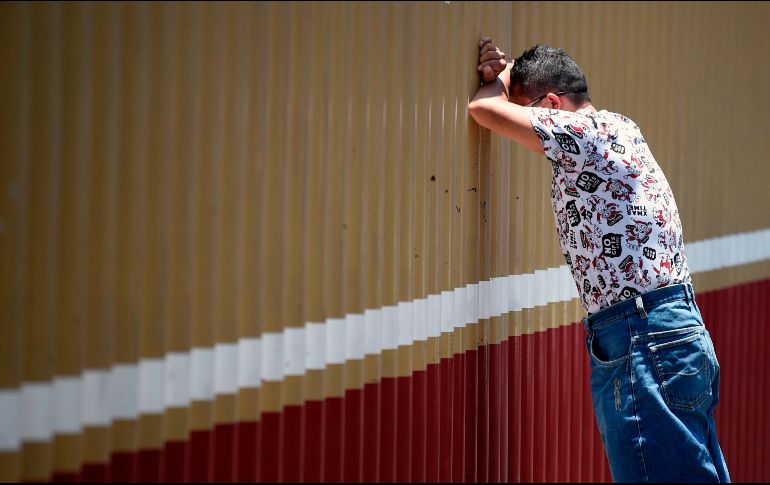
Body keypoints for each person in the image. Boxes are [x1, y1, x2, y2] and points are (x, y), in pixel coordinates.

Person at [468, 38, 731, 483]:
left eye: (527, 112)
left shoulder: (585, 134)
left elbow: (483, 110)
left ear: (551, 105)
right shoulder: (620, 127)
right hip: (665, 330)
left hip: (642, 335)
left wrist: (502, 78)